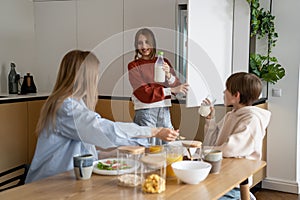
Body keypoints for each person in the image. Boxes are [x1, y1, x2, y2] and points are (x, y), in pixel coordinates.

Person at [25, 50, 179, 183]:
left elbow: (84, 149)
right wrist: (154, 132)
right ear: (84, 77)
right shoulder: (66, 108)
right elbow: (104, 130)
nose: (97, 79)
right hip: (47, 184)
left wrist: (116, 152)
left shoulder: (76, 104)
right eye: (96, 74)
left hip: (68, 180)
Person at [202, 72, 271, 200]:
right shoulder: (232, 115)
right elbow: (214, 142)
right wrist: (210, 120)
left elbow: (229, 149)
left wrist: (203, 151)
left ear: (236, 95)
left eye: (227, 89)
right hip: (220, 176)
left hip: (234, 184)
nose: (224, 92)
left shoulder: (251, 120)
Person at [128, 28, 189, 145]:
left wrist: (168, 74)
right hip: (145, 112)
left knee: (169, 146)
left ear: (153, 43)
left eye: (147, 42)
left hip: (164, 110)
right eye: (140, 43)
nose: (144, 46)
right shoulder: (133, 65)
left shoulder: (163, 62)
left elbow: (177, 87)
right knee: (148, 148)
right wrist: (170, 90)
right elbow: (143, 93)